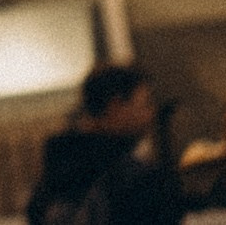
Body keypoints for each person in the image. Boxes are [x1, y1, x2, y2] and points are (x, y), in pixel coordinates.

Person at [28, 65, 184, 225]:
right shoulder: (133, 177)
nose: (151, 114)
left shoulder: (58, 166)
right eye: (146, 104)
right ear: (116, 106)